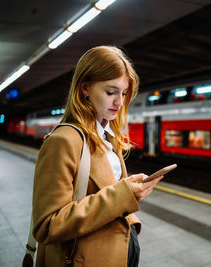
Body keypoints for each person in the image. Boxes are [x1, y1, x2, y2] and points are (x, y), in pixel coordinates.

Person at [32, 46, 163, 267]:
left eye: (123, 93)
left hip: (117, 253)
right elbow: (47, 225)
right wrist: (122, 195)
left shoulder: (108, 137)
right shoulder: (63, 141)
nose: (119, 103)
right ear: (85, 88)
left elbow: (105, 195)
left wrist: (131, 217)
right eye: (111, 92)